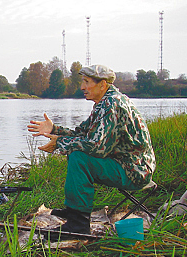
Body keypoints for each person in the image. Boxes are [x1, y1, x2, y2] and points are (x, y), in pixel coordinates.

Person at [27, 65, 156, 235]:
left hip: (134, 171)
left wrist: (60, 143)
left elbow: (97, 147)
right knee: (76, 151)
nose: (82, 87)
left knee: (79, 157)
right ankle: (75, 211)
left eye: (87, 82)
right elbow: (81, 133)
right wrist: (54, 130)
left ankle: (78, 224)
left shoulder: (111, 105)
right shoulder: (105, 102)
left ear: (102, 85)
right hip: (128, 165)